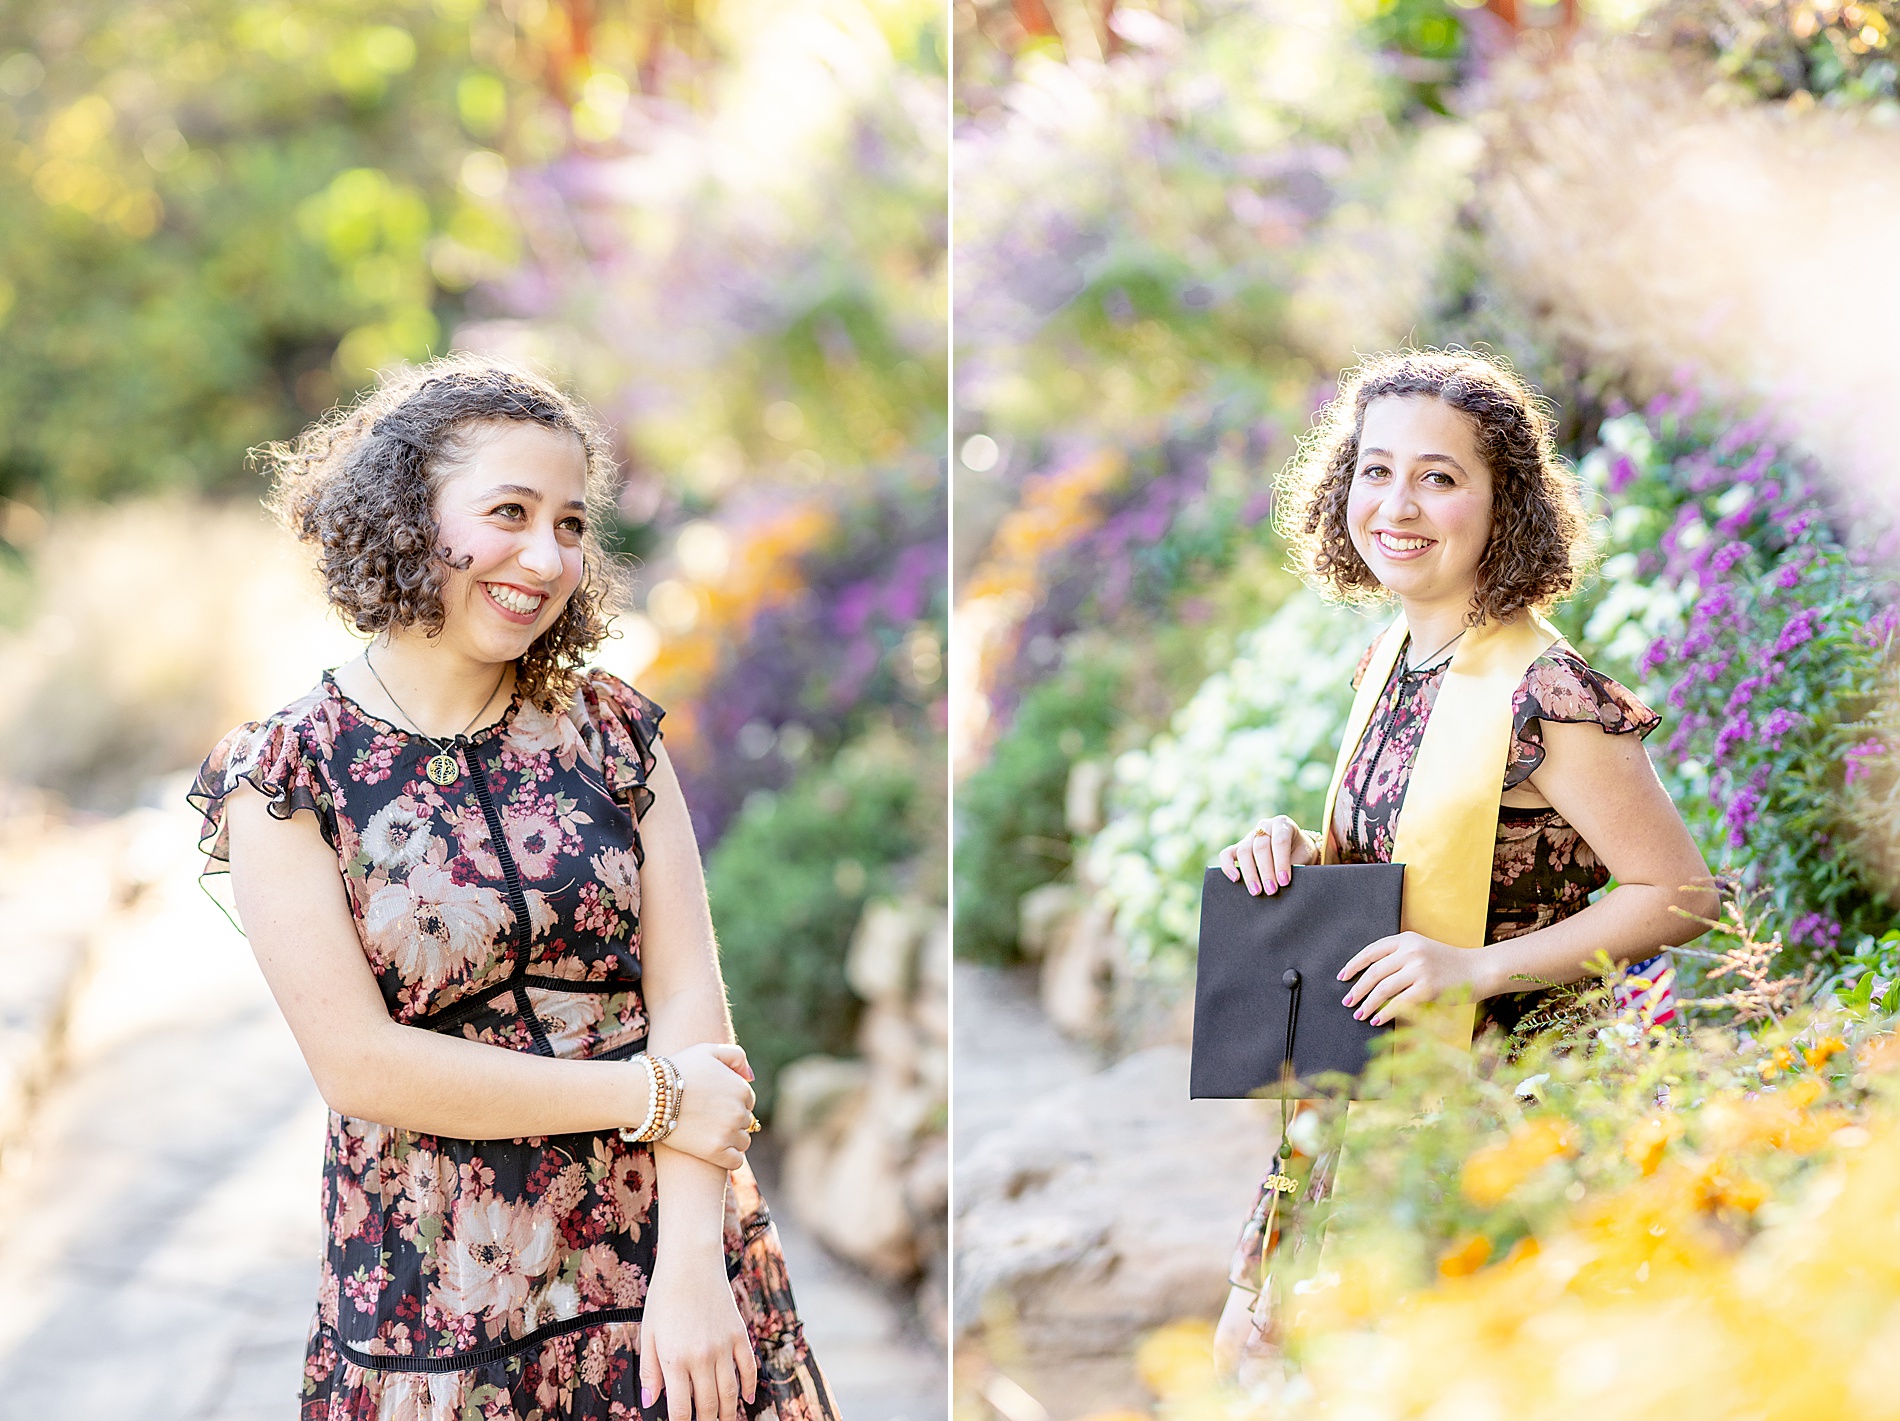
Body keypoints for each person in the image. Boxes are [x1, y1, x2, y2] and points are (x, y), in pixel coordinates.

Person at [189, 356, 838, 1421]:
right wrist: (653, 1095)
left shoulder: (612, 732)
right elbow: (360, 1064)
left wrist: (691, 1269)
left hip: (660, 1259)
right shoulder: (289, 774)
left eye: (571, 524)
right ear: (406, 513)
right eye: (509, 512)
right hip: (436, 1301)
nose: (546, 556)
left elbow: (688, 996)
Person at [1206, 349, 1716, 1377]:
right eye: (1376, 470)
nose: (1397, 504)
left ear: (1503, 503)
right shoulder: (1391, 664)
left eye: (1437, 476)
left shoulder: (1547, 693)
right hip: (1376, 1107)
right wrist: (1303, 853)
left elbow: (1680, 895)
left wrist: (1471, 967)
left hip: (1508, 1127)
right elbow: (1406, 871)